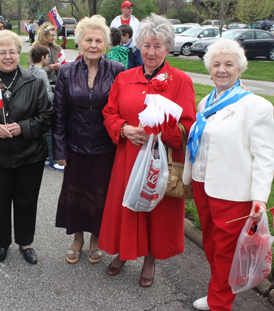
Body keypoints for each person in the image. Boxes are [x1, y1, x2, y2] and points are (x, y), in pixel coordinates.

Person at [98, 13, 196, 287]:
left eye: (158, 46)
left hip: (159, 159)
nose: (151, 52)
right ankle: (125, 252)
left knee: (156, 211)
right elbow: (109, 112)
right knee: (128, 206)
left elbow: (188, 125)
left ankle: (150, 260)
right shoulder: (125, 78)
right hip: (129, 155)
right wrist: (124, 129)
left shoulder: (180, 81)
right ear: (138, 46)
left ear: (168, 48)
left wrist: (162, 132)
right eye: (146, 45)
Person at [183, 38, 274, 311]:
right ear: (209, 70)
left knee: (225, 251)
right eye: (216, 64)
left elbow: (264, 157)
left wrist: (259, 197)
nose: (221, 70)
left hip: (233, 192)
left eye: (228, 64)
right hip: (203, 186)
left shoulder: (256, 106)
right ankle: (217, 292)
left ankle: (220, 303)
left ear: (240, 69)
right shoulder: (206, 102)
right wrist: (189, 178)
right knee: (212, 246)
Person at [0, 30, 53, 265]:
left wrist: (23, 127)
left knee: (27, 201)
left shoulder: (33, 81)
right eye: (2, 52)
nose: (7, 57)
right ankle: (1, 243)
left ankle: (26, 243)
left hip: (29, 154)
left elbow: (46, 116)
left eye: (12, 52)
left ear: (19, 53)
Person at [52, 15, 125, 265]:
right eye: (88, 40)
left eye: (99, 40)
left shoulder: (117, 71)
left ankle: (96, 239)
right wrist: (60, 149)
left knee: (101, 194)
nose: (93, 45)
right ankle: (77, 239)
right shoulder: (66, 71)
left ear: (106, 44)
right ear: (79, 42)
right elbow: (59, 114)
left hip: (107, 147)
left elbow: (122, 110)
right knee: (75, 195)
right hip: (75, 146)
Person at [28, 45, 57, 170]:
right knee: (50, 134)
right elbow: (47, 94)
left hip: (33, 107)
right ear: (42, 57)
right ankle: (52, 160)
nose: (48, 59)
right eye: (47, 56)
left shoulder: (30, 69)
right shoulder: (41, 72)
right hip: (44, 107)